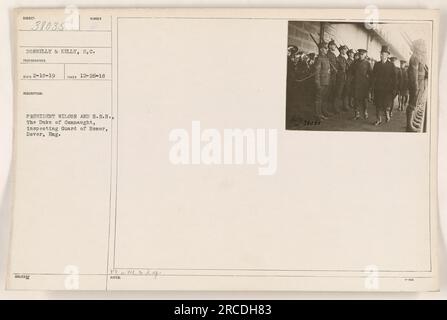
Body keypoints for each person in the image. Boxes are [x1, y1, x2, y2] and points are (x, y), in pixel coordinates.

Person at [371, 45, 398, 125]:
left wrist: (394, 89)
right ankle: (378, 119)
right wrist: (372, 86)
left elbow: (395, 78)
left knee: (386, 104)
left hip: (387, 89)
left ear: (387, 55)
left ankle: (387, 114)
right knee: (378, 105)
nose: (382, 55)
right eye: (381, 54)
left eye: (384, 54)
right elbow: (373, 76)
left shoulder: (391, 65)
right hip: (378, 88)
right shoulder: (377, 64)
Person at [407, 39, 427, 132]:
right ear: (417, 47)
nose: (423, 48)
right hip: (415, 84)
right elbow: (414, 74)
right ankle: (409, 125)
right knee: (412, 104)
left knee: (415, 103)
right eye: (421, 46)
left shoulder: (419, 57)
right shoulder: (415, 57)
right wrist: (415, 87)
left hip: (418, 83)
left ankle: (412, 121)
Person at [313, 42, 331, 120]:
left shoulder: (326, 58)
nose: (327, 49)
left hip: (326, 81)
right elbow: (316, 72)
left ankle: (323, 112)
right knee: (318, 98)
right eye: (325, 48)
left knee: (324, 98)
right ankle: (318, 115)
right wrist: (317, 83)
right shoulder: (319, 59)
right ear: (321, 49)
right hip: (321, 82)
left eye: (327, 48)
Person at [352, 48, 371, 120]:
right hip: (356, 84)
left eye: (362, 54)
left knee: (364, 99)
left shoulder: (367, 63)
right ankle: (357, 113)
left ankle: (365, 112)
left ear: (365, 55)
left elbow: (371, 74)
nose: (361, 56)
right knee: (356, 99)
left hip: (364, 84)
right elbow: (350, 72)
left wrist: (369, 83)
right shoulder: (355, 62)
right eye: (360, 54)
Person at [335, 45, 348, 112]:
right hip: (340, 78)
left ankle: (344, 106)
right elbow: (336, 70)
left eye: (346, 50)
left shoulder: (345, 59)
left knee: (345, 93)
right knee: (338, 93)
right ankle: (336, 108)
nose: (345, 51)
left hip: (345, 78)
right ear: (341, 50)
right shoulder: (338, 58)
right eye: (344, 50)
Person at [327, 40, 339, 114]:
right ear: (330, 46)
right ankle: (327, 109)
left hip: (334, 77)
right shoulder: (328, 54)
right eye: (334, 45)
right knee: (328, 93)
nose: (335, 47)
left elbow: (336, 64)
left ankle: (331, 108)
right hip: (329, 76)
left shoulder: (333, 55)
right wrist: (332, 69)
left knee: (332, 93)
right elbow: (327, 65)